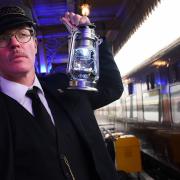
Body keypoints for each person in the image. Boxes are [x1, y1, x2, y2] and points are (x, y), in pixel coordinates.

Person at [0, 4, 123, 180]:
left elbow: (111, 87)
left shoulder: (68, 86)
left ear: (35, 45)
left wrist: (89, 38)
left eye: (23, 34)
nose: (15, 43)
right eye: (3, 38)